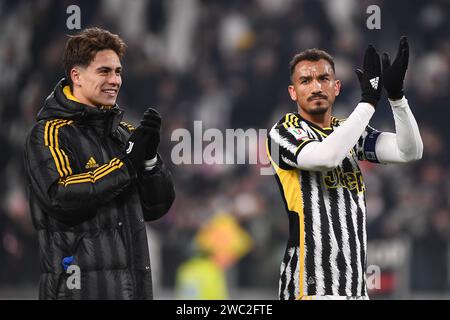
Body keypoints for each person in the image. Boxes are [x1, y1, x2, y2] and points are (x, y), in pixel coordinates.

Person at [24, 27, 175, 299]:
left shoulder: (124, 134)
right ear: (76, 76)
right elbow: (61, 196)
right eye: (104, 71)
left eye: (118, 72)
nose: (115, 80)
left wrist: (151, 161)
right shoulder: (49, 133)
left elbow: (156, 208)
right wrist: (126, 165)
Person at [267, 37, 423, 300]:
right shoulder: (282, 132)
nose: (316, 87)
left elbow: (410, 152)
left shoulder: (347, 132)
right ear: (293, 92)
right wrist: (368, 103)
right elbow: (325, 157)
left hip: (354, 290)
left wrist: (397, 99)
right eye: (305, 81)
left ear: (336, 87)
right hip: (310, 288)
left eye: (323, 79)